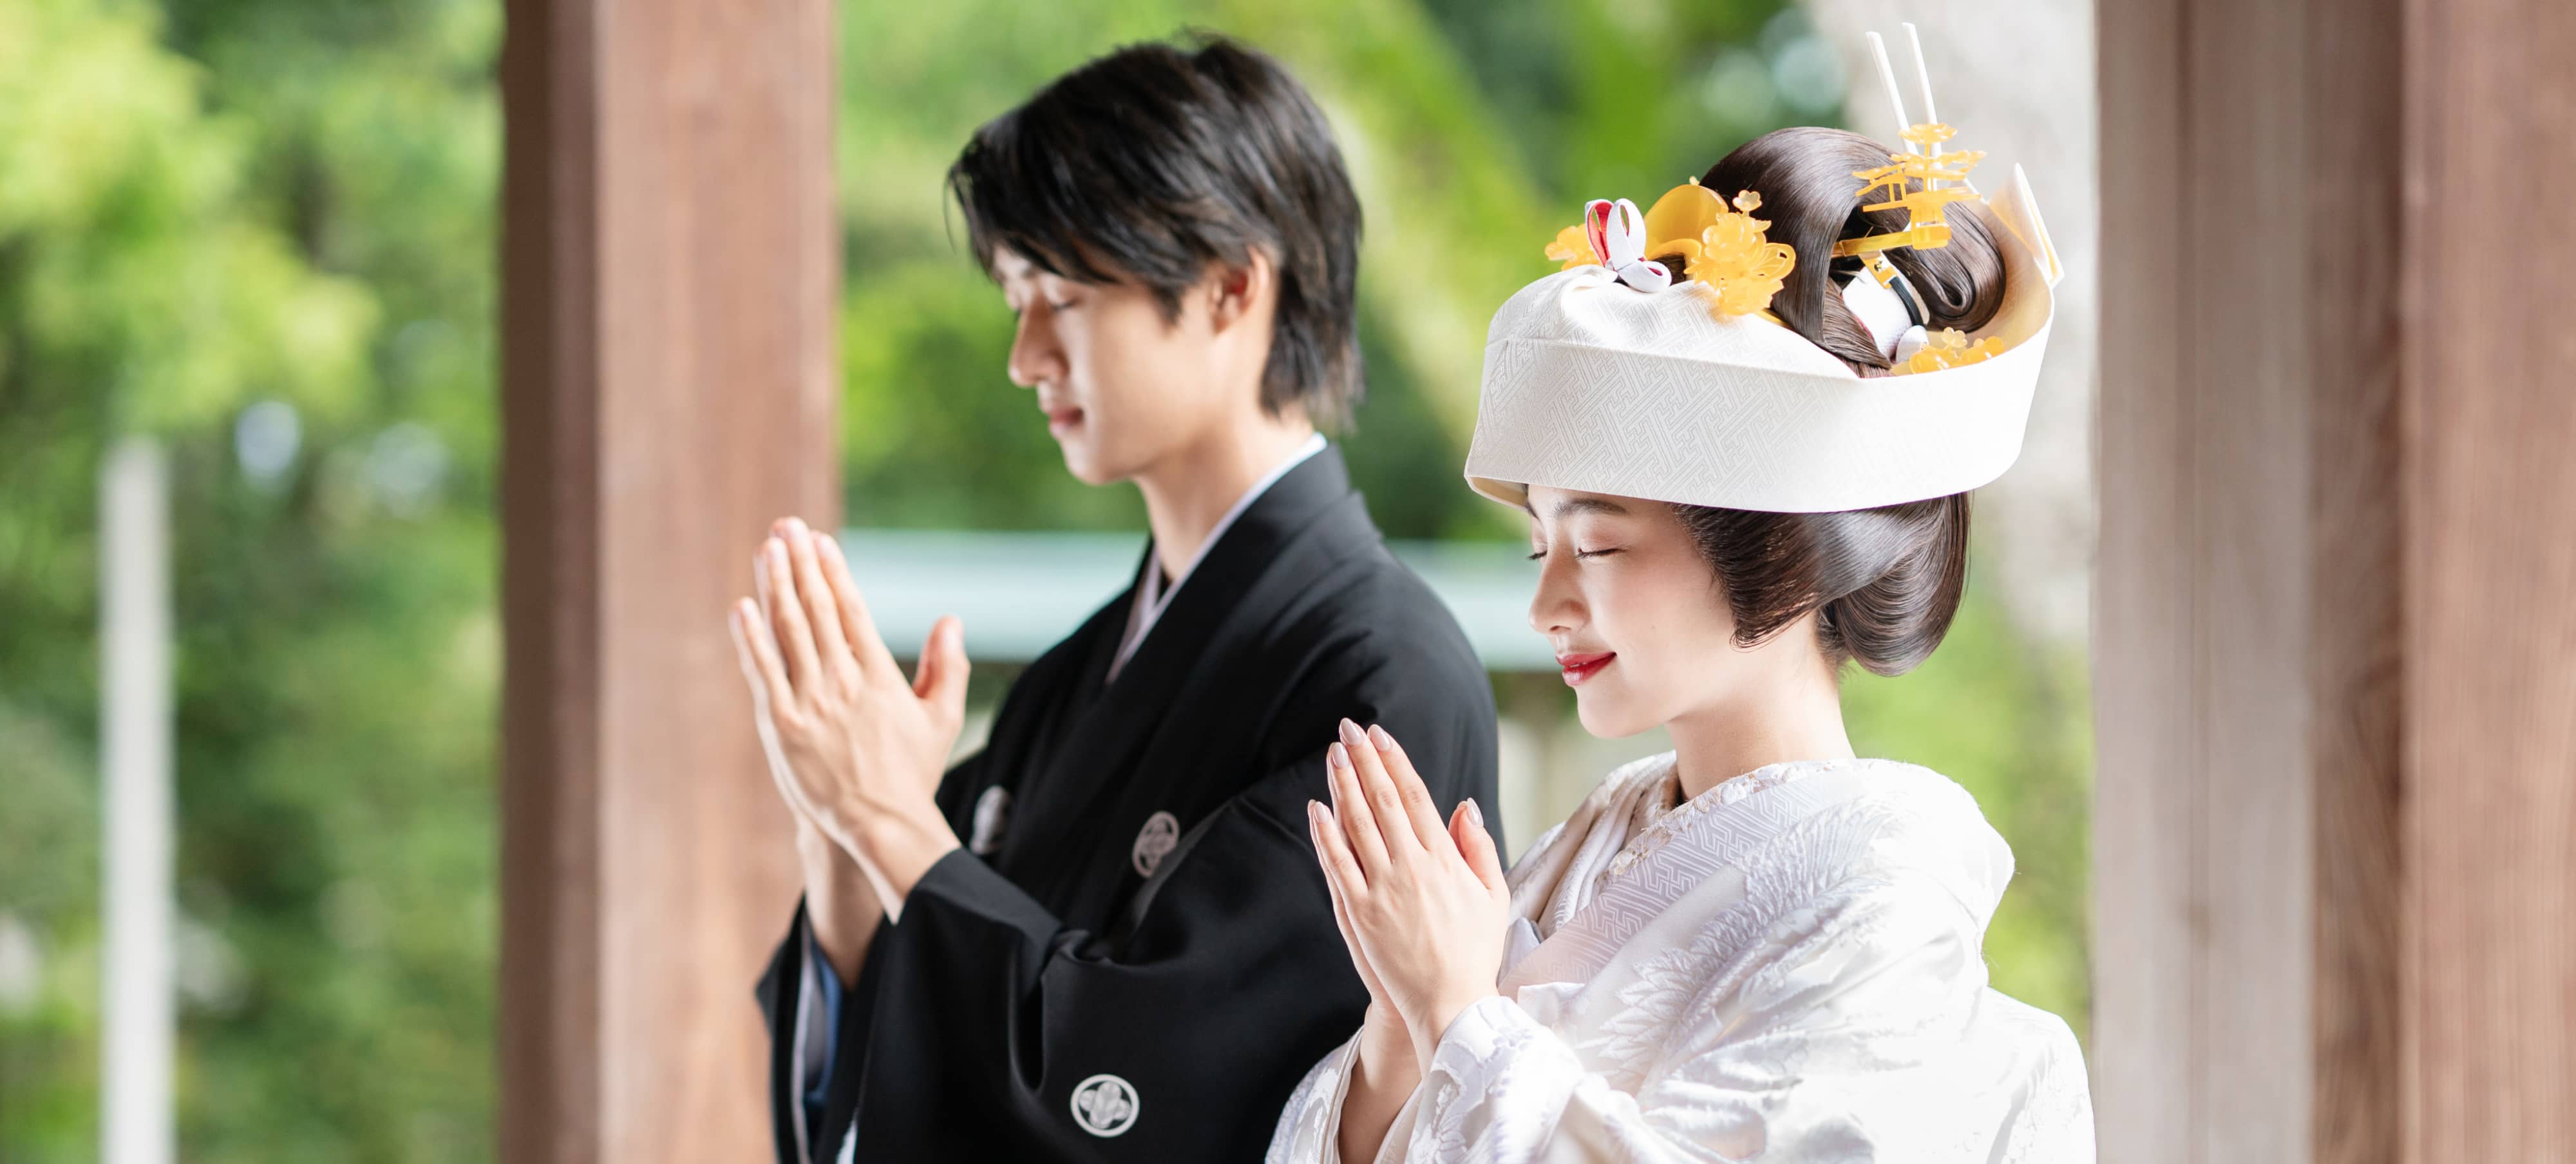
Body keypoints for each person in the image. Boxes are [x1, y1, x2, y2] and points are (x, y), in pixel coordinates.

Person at [1269, 41, 2094, 1163]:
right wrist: (1404, 1021)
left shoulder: (1884, 895)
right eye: (1537, 549)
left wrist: (1461, 1012)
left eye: (1598, 548)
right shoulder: (1601, 835)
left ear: (1785, 554)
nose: (1549, 605)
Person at [727, 33, 1502, 1164]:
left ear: (1235, 285)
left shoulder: (1381, 678)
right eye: (1015, 298)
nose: (1024, 355)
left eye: (1065, 296)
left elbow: (1166, 1088)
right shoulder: (1075, 674)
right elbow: (889, 1055)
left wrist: (889, 816)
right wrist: (835, 822)